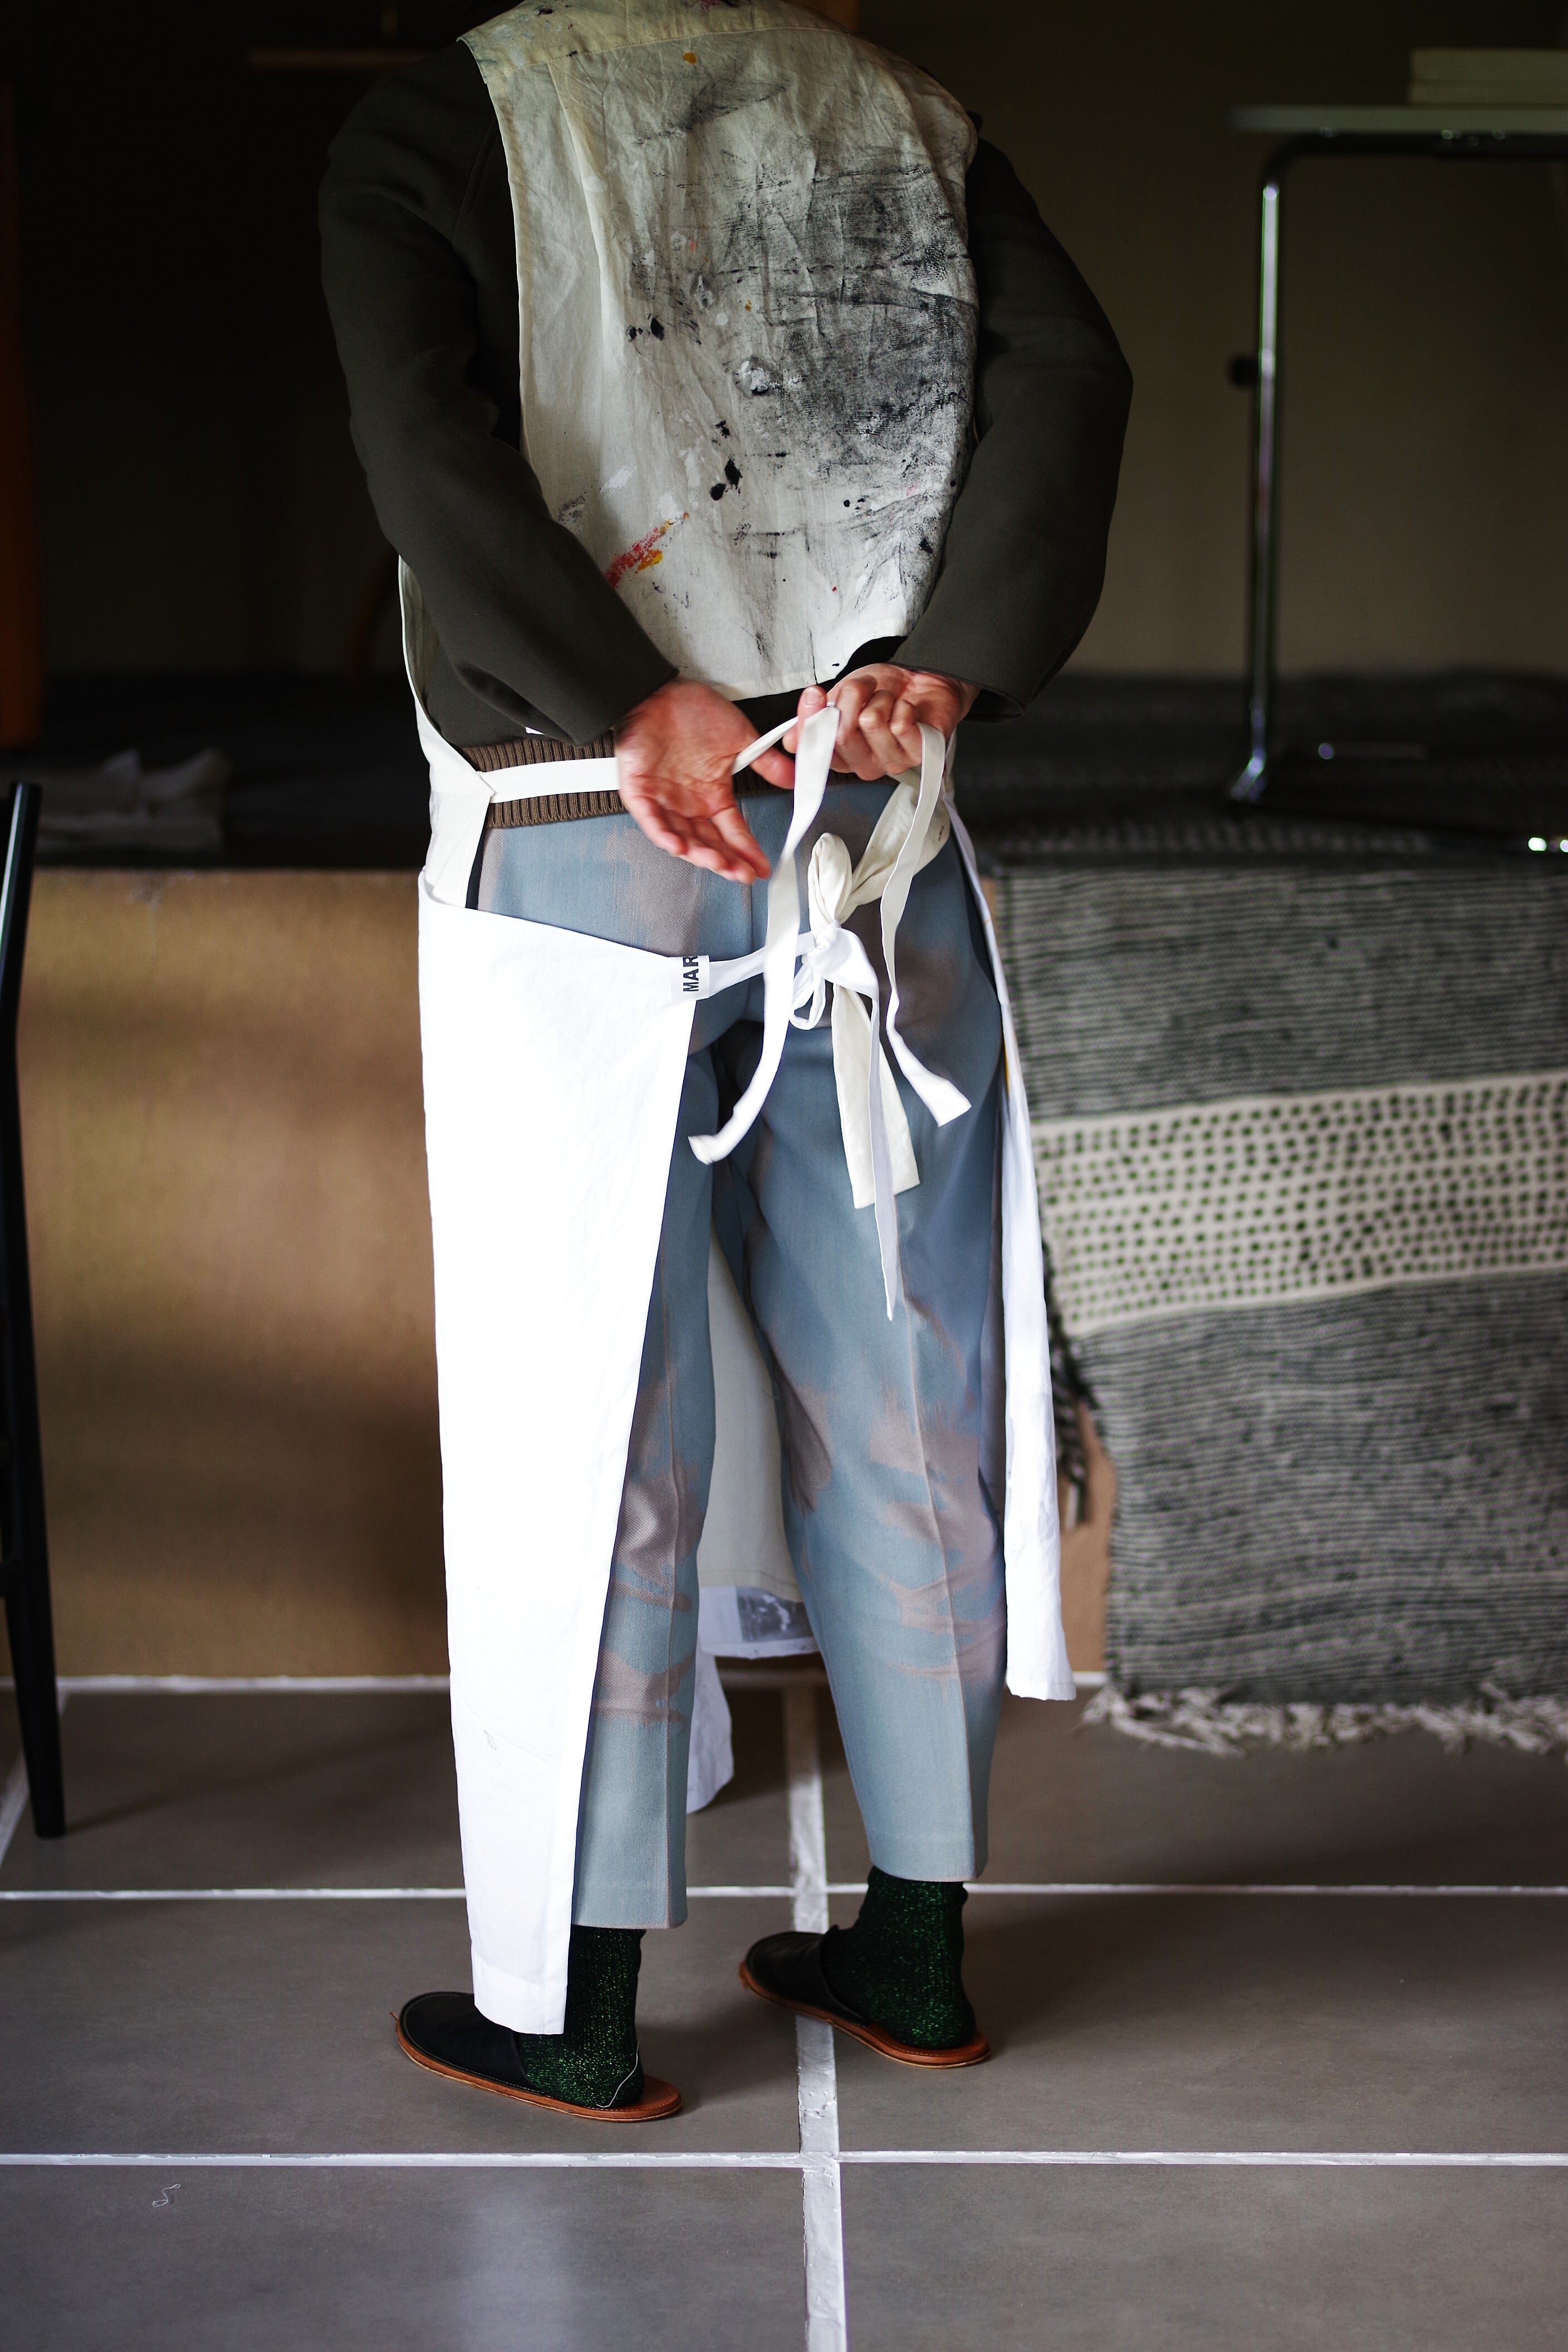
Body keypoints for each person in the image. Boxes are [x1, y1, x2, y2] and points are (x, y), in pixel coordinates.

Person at [321, 0, 1130, 2120]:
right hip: (870, 812)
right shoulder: (911, 115)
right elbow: (1074, 373)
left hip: (584, 823)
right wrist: (949, 653)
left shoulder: (443, 121)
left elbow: (423, 445)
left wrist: (624, 690)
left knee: (594, 1409)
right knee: (910, 1383)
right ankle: (918, 1948)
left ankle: (578, 1999)